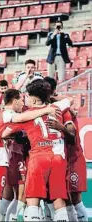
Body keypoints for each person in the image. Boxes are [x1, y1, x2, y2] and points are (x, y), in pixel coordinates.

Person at [0, 89, 59, 221]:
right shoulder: (8, 114)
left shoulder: (0, 115)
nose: (23, 103)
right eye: (21, 100)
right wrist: (46, 110)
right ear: (15, 101)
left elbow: (4, 134)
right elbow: (20, 119)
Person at [2, 79, 73, 221]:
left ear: (33, 100)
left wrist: (21, 135)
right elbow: (69, 100)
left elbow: (4, 134)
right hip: (58, 158)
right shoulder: (57, 108)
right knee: (59, 201)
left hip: (38, 158)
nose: (26, 99)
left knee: (32, 201)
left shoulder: (27, 115)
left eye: (27, 96)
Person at [44, 76, 88, 221]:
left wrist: (60, 127)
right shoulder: (46, 110)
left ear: (52, 92)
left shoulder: (65, 111)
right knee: (59, 198)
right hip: (58, 161)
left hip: (73, 158)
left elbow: (72, 136)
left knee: (75, 199)